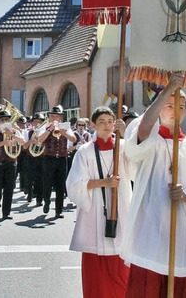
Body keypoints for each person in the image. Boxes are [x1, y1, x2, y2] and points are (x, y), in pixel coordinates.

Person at [122, 73, 186, 298]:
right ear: (160, 107)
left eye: (180, 106)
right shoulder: (150, 138)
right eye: (169, 105)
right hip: (149, 229)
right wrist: (167, 90)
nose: (175, 110)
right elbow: (141, 133)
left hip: (181, 232)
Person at [66, 106, 132, 298]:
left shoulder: (123, 148)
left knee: (122, 266)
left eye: (110, 122)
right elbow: (74, 184)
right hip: (95, 210)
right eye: (101, 122)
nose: (106, 126)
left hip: (120, 208)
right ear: (93, 125)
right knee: (96, 271)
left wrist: (125, 134)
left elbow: (140, 166)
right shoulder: (84, 152)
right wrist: (105, 182)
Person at [37, 105, 77, 218]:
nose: (55, 118)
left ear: (60, 117)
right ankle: (47, 202)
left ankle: (58, 210)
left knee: (60, 184)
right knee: (47, 183)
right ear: (49, 117)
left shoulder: (65, 127)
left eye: (57, 116)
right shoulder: (45, 127)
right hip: (49, 158)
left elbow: (73, 139)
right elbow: (39, 140)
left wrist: (63, 132)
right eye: (53, 116)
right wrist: (50, 129)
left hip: (62, 158)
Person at [0, 109, 25, 220]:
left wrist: (12, 135)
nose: (4, 121)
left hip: (11, 162)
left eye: (6, 119)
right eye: (2, 120)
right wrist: (3, 142)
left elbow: (23, 143)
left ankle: (6, 213)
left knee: (9, 188)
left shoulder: (15, 131)